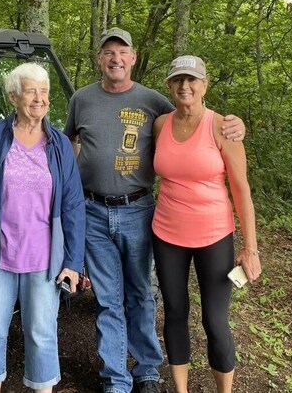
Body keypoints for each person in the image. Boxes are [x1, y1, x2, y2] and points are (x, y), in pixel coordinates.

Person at [63, 28, 246, 393]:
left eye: (122, 52)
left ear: (132, 59)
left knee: (141, 294)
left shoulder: (153, 102)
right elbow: (69, 139)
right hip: (94, 211)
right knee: (108, 299)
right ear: (99, 59)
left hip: (139, 209)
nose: (115, 58)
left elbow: (191, 117)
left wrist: (236, 124)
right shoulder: (81, 99)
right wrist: (69, 187)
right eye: (108, 52)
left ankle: (147, 370)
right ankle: (116, 378)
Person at [0, 62, 86, 393]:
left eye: (45, 91)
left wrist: (73, 261)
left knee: (41, 331)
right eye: (31, 90)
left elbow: (74, 204)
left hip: (44, 259)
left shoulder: (60, 144)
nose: (40, 99)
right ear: (13, 96)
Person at [152, 55, 261, 393]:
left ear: (205, 85)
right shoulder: (160, 125)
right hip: (167, 233)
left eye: (192, 80)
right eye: (178, 80)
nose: (185, 86)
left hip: (214, 234)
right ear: (170, 85)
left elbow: (241, 190)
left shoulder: (222, 127)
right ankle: (181, 390)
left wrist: (250, 248)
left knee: (215, 320)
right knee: (174, 312)